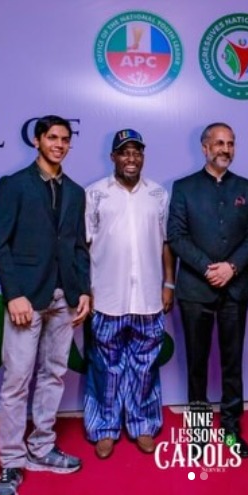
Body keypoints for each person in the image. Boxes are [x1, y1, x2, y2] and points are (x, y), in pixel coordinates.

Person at [0, 115, 91, 495]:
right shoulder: (14, 184)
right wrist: (13, 293)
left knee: (54, 375)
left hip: (65, 298)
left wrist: (83, 291)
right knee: (16, 381)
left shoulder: (76, 192)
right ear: (37, 141)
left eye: (65, 139)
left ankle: (42, 447)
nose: (59, 144)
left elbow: (78, 246)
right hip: (26, 298)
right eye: (52, 137)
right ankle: (11, 462)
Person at [167, 122, 248, 459]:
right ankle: (199, 432)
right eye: (219, 143)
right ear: (205, 148)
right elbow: (176, 236)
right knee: (197, 364)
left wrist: (231, 267)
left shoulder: (246, 188)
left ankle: (232, 429)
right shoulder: (184, 188)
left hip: (235, 290)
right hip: (196, 290)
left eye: (230, 143)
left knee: (233, 364)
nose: (225, 149)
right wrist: (209, 268)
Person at [83, 129, 175, 459]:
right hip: (107, 297)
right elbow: (85, 245)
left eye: (137, 152)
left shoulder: (158, 194)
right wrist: (87, 291)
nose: (131, 158)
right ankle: (104, 428)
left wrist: (168, 283)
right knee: (105, 368)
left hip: (148, 296)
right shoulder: (95, 194)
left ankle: (143, 424)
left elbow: (165, 243)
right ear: (113, 157)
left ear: (143, 157)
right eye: (124, 152)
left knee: (145, 366)